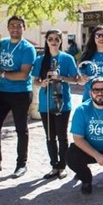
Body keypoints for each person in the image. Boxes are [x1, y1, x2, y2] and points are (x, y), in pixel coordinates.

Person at [0, 16, 36, 178]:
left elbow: (23, 75)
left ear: (24, 28)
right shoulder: (2, 43)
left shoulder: (27, 48)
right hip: (2, 92)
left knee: (21, 129)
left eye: (19, 26)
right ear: (8, 28)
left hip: (21, 93)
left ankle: (21, 165)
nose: (15, 29)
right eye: (12, 26)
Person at [32, 29, 79, 179]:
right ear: (46, 41)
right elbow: (35, 81)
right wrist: (43, 83)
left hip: (63, 102)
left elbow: (75, 79)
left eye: (56, 39)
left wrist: (61, 78)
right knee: (50, 136)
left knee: (62, 136)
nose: (53, 41)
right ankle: (54, 165)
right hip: (45, 103)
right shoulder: (40, 60)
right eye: (50, 39)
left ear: (60, 41)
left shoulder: (67, 58)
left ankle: (62, 165)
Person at [78, 25, 103, 102]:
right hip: (90, 98)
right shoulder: (86, 56)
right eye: (97, 35)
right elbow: (80, 80)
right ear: (93, 38)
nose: (101, 38)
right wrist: (82, 80)